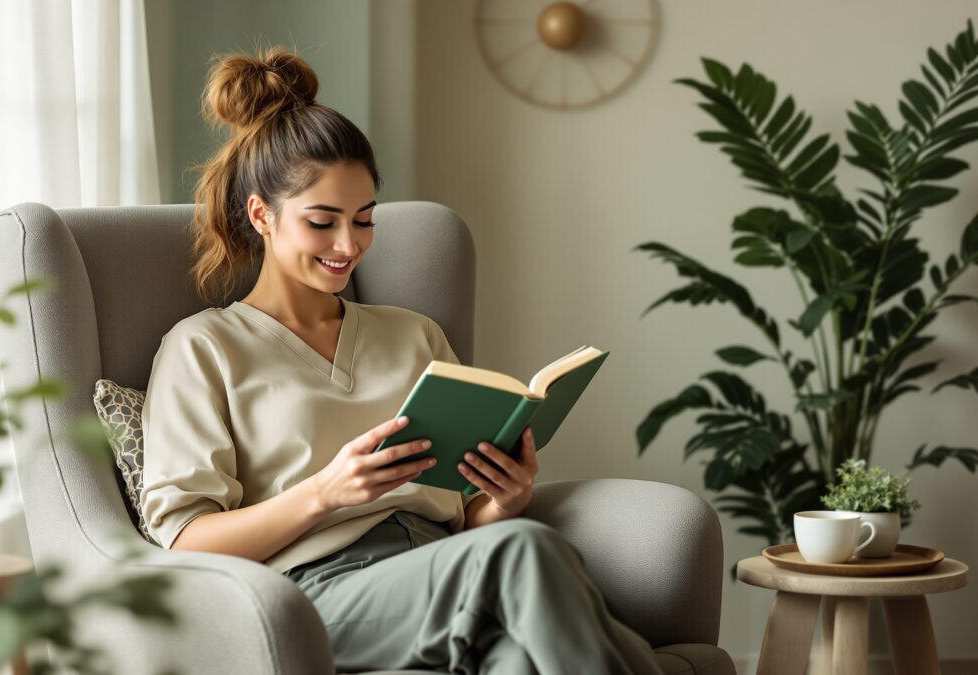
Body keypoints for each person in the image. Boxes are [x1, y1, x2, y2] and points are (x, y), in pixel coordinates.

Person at [139, 45, 664, 675]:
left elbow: (466, 523)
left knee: (515, 657)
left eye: (363, 220)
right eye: (322, 222)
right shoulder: (204, 348)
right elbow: (187, 541)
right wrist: (325, 493)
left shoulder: (415, 335)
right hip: (316, 596)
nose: (347, 245)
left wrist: (506, 498)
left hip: (447, 573)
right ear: (262, 215)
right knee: (522, 550)